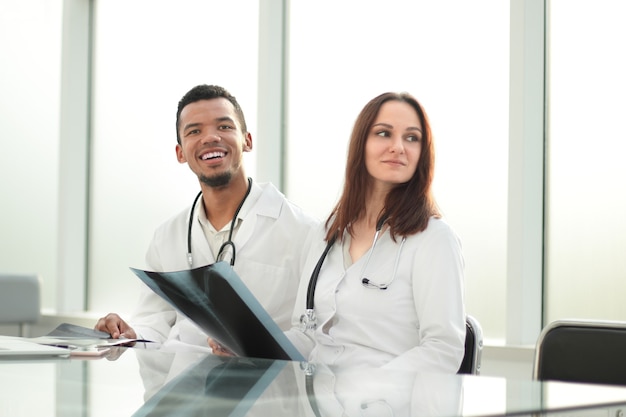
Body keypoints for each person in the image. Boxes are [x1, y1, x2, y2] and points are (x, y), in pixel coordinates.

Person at [95, 84, 319, 350]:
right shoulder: (167, 236)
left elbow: (312, 335)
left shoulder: (304, 231)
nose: (210, 137)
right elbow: (153, 324)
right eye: (194, 131)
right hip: (185, 385)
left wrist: (252, 347)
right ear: (180, 153)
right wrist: (127, 334)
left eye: (224, 127)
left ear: (247, 140)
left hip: (267, 387)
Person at [285, 91, 466, 372]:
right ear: (361, 144)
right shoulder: (327, 233)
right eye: (384, 134)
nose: (398, 147)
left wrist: (368, 388)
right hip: (317, 403)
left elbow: (443, 349)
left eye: (411, 138)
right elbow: (306, 335)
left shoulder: (434, 240)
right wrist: (244, 345)